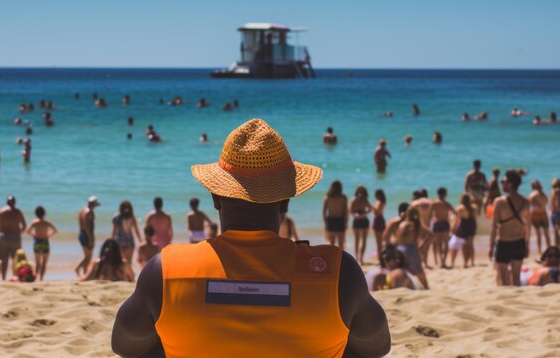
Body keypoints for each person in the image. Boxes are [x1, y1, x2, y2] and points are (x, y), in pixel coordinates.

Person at [112, 118, 390, 358]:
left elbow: (124, 344)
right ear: (285, 203)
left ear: (216, 199)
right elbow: (377, 346)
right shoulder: (338, 274)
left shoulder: (166, 272)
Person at [489, 170, 531, 286]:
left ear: (510, 184)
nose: (501, 183)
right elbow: (528, 226)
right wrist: (527, 245)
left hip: (503, 243)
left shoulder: (499, 202)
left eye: (503, 181)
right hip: (519, 242)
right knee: (516, 279)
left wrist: (491, 246)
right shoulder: (525, 202)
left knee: (503, 280)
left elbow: (493, 227)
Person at [393, 207, 429, 289]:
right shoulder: (417, 224)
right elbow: (430, 234)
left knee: (403, 270)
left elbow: (396, 239)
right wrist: (422, 245)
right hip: (412, 249)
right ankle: (426, 288)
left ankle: (406, 287)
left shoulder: (403, 224)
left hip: (401, 248)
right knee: (419, 271)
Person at [0, 195, 27, 280]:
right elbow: (24, 226)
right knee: (16, 259)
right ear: (15, 203)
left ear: (7, 202)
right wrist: (19, 233)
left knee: (3, 260)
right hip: (15, 237)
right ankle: (15, 276)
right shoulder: (18, 212)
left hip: (3, 237)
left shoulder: (0, 212)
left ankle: (3, 278)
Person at [26, 206, 58, 281]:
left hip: (37, 241)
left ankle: (36, 278)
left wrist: (33, 235)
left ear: (35, 214)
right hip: (45, 241)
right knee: (44, 262)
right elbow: (55, 230)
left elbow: (27, 231)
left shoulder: (34, 222)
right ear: (44, 213)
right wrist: (49, 235)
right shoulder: (46, 222)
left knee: (37, 263)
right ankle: (41, 278)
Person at [448, 194, 477, 268]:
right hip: (472, 225)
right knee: (470, 245)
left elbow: (456, 218)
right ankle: (471, 262)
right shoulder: (474, 207)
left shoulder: (460, 207)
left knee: (461, 245)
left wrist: (452, 228)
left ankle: (461, 263)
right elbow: (476, 217)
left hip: (464, 225)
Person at [429, 188, 455, 268]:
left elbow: (430, 215)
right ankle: (444, 261)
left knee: (439, 243)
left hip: (437, 223)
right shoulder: (447, 204)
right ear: (445, 194)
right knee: (446, 243)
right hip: (445, 223)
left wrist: (429, 225)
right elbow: (455, 213)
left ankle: (440, 261)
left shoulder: (434, 203)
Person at [75, 196, 100, 277]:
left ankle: (85, 273)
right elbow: (87, 227)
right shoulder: (89, 212)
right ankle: (78, 269)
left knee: (87, 256)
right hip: (86, 235)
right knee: (88, 257)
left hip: (82, 234)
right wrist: (90, 239)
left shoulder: (82, 210)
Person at [349, 185, 372, 265]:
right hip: (360, 220)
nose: (360, 193)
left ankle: (360, 258)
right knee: (359, 240)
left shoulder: (362, 200)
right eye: (360, 191)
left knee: (362, 240)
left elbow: (370, 209)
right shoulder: (358, 200)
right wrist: (360, 214)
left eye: (361, 191)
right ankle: (358, 258)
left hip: (361, 220)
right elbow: (350, 210)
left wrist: (362, 214)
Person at [322, 180, 348, 249]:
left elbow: (324, 212)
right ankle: (341, 259)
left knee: (331, 245)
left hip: (331, 221)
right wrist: (345, 223)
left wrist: (325, 222)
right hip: (340, 220)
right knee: (341, 245)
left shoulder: (327, 197)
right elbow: (346, 212)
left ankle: (332, 259)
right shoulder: (343, 198)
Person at [528, 180, 550, 255]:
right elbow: (546, 202)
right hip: (543, 213)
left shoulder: (532, 195)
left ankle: (540, 251)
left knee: (538, 234)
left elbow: (530, 206)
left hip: (535, 214)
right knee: (546, 234)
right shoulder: (544, 194)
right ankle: (549, 249)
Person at [372, 189, 387, 255]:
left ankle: (380, 256)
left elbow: (376, 212)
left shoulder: (378, 201)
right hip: (381, 219)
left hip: (378, 220)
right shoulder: (383, 202)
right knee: (380, 240)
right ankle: (381, 254)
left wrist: (370, 207)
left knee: (378, 241)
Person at [551, 178, 560, 246]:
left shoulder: (554, 192)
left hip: (557, 213)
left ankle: (557, 249)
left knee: (556, 233)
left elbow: (553, 203)